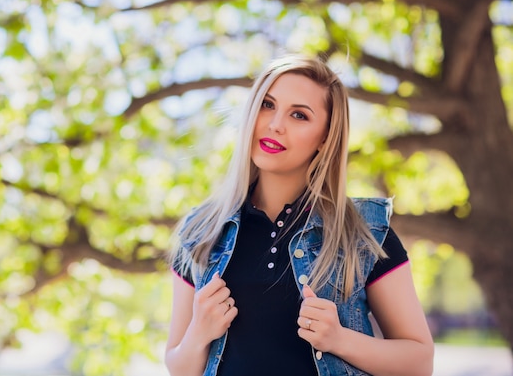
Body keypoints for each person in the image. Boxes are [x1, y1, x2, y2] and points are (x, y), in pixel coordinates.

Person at [164, 55, 434, 376]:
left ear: (324, 137)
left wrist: (339, 339)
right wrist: (199, 333)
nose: (275, 124)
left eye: (298, 115)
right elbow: (178, 366)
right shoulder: (200, 231)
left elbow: (419, 362)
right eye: (267, 105)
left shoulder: (365, 231)